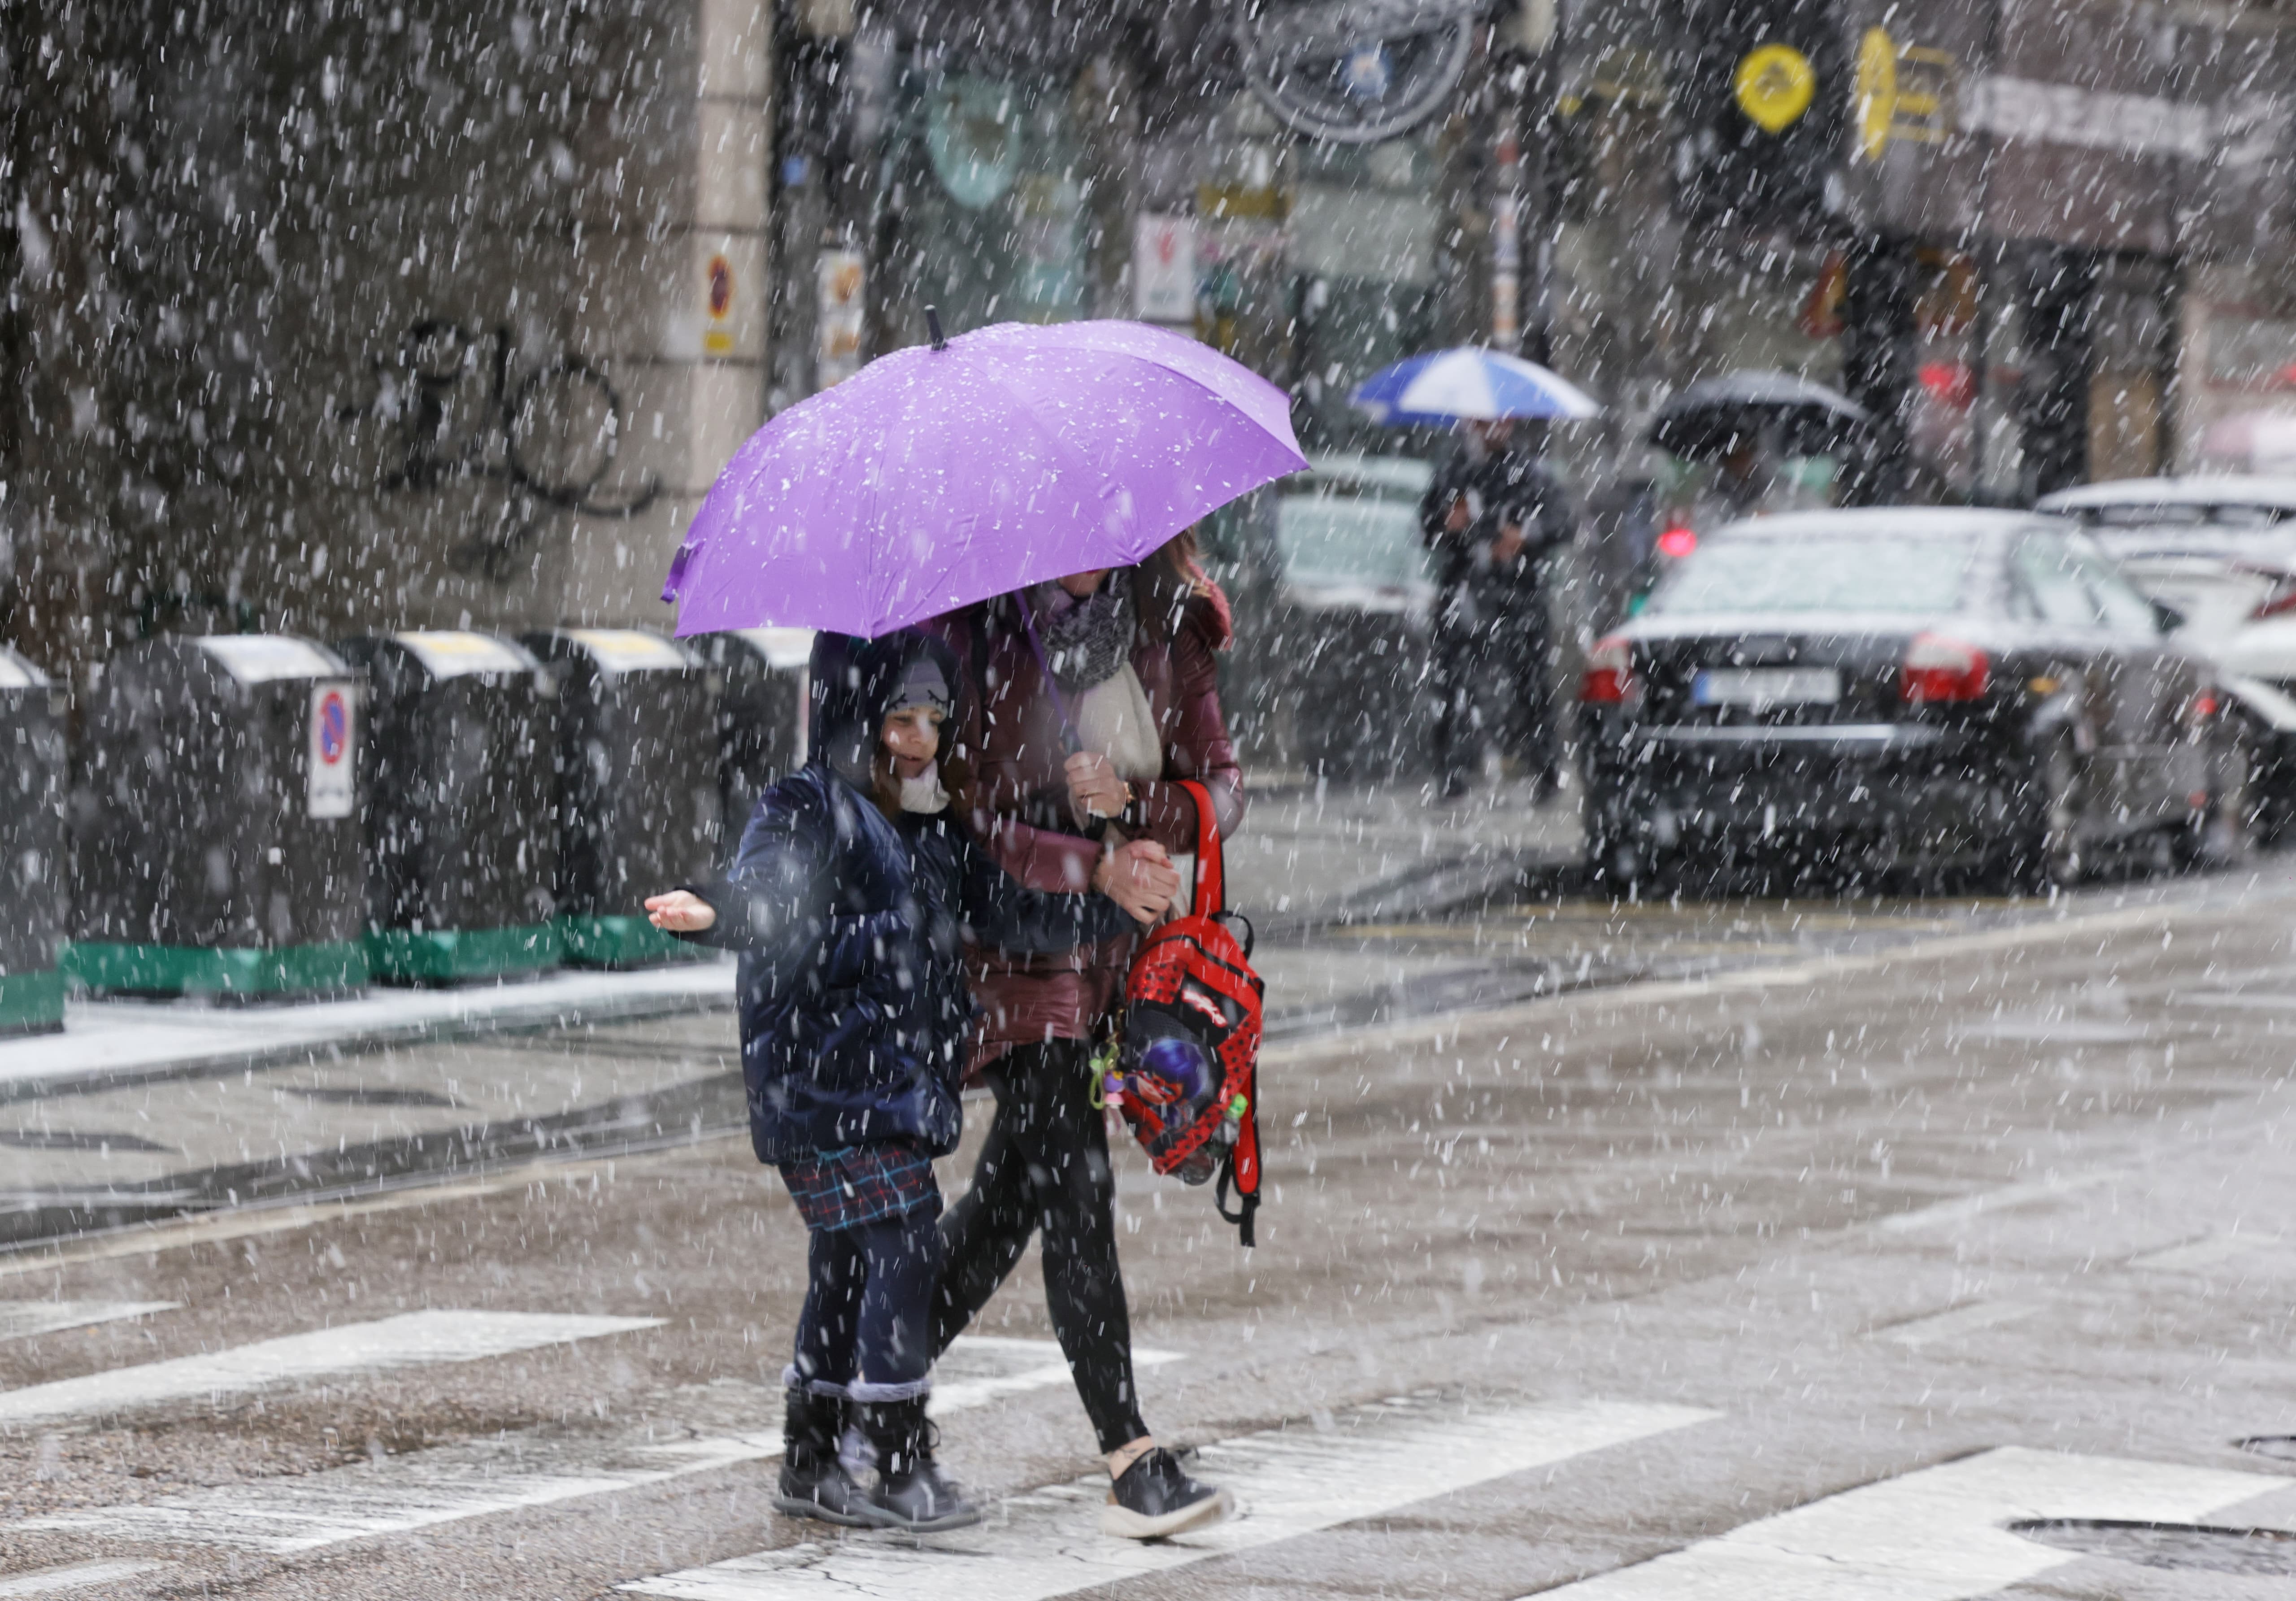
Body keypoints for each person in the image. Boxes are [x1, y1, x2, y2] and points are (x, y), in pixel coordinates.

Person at [643, 629, 1165, 1533]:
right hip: (824, 1080)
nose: (919, 736)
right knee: (904, 1243)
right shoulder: (810, 808)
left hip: (888, 1080)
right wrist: (720, 912)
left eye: (934, 717)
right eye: (901, 716)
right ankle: (890, 1457)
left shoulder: (926, 825)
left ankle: (811, 1457)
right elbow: (774, 905)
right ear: (857, 712)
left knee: (847, 1260)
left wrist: (1100, 910)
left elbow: (1002, 912)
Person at [928, 532, 1241, 1540]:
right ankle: (1129, 1454)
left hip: (1117, 960)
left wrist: (1141, 812)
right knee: (1074, 1186)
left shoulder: (1170, 622)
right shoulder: (981, 627)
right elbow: (971, 819)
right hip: (1021, 956)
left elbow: (1224, 788)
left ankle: (857, 1380)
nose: (1080, 556)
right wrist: (1087, 863)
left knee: (1008, 1206)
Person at [1418, 418, 1576, 799]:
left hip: (1518, 592)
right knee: (1453, 681)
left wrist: (1526, 536)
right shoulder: (1453, 472)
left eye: (1502, 419)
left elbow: (1562, 521)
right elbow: (1428, 529)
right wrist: (1447, 523)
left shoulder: (1530, 472)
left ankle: (1545, 770)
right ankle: (1452, 772)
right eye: (1486, 421)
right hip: (1465, 590)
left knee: (1531, 684)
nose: (1494, 428)